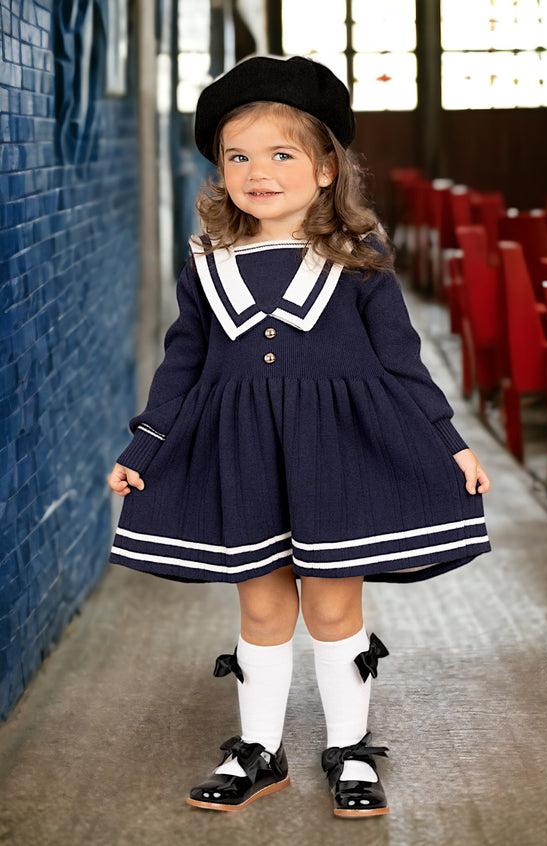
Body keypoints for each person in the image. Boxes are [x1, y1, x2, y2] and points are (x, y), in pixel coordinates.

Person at [108, 55, 491, 818]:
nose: (258, 171)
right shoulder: (206, 266)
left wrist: (450, 443)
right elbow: (181, 367)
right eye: (237, 156)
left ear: (324, 168)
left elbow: (401, 360)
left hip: (338, 457)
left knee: (333, 608)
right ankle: (259, 749)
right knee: (260, 608)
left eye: (281, 154)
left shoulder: (359, 262)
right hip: (242, 456)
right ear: (220, 174)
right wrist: (142, 448)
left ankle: (350, 748)